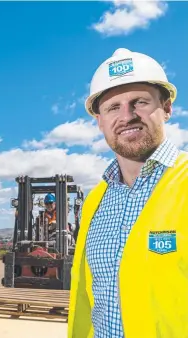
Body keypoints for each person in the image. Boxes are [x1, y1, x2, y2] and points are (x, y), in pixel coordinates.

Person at [68, 48, 188, 338]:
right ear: (99, 121)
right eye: (113, 107)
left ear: (167, 108)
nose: (127, 116)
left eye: (140, 102)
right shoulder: (95, 201)